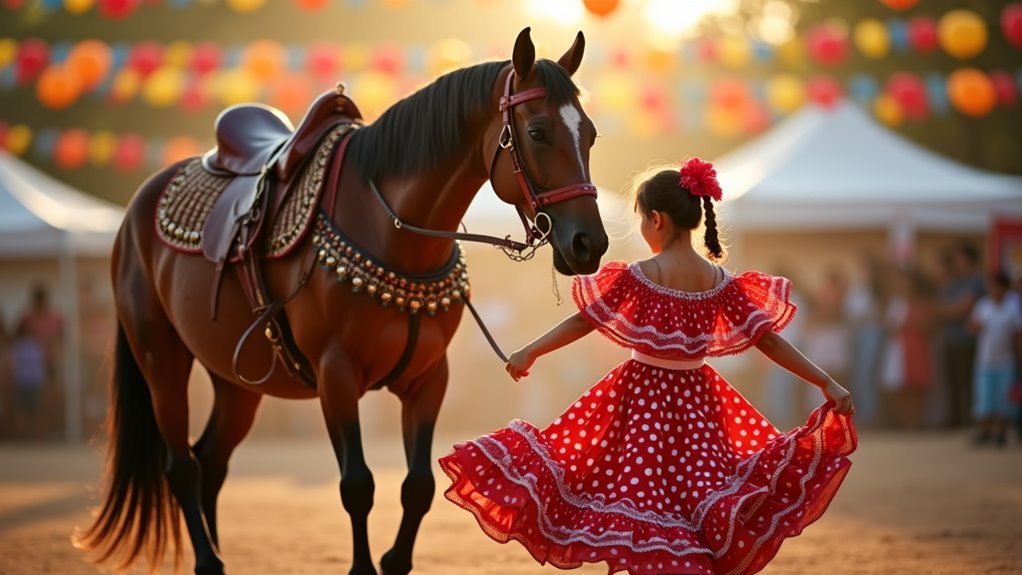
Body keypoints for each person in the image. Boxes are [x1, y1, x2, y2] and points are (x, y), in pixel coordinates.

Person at [439, 158, 856, 575]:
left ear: (656, 219)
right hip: (699, 408)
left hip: (641, 406)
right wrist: (827, 382)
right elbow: (769, 340)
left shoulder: (642, 274)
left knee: (639, 502)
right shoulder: (720, 281)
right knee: (694, 503)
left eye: (641, 219)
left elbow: (585, 320)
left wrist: (530, 350)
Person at [968, 270, 1022, 447]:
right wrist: (975, 326)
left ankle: (1000, 432)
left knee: (1003, 399)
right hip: (985, 360)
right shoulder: (983, 306)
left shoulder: (1013, 306)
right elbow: (971, 327)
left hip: (1005, 361)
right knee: (984, 398)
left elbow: (1017, 334)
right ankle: (984, 430)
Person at [879, 267, 936, 430]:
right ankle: (906, 420)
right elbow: (890, 327)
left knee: (917, 386)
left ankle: (915, 422)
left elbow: (929, 326)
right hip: (898, 348)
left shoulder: (922, 303)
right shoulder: (895, 303)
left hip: (917, 346)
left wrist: (909, 325)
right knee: (899, 387)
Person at [936, 242, 985, 428]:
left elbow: (962, 307)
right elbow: (940, 308)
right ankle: (955, 419)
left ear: (968, 259)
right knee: (953, 382)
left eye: (960, 258)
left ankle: (971, 419)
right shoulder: (955, 282)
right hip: (951, 340)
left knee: (968, 382)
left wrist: (949, 310)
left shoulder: (976, 281)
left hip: (967, 341)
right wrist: (951, 309)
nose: (957, 262)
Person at [9, 322, 47, 439]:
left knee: (29, 409)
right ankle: (27, 435)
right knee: (25, 410)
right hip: (26, 380)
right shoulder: (26, 345)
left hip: (29, 380)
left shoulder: (32, 345)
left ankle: (30, 435)